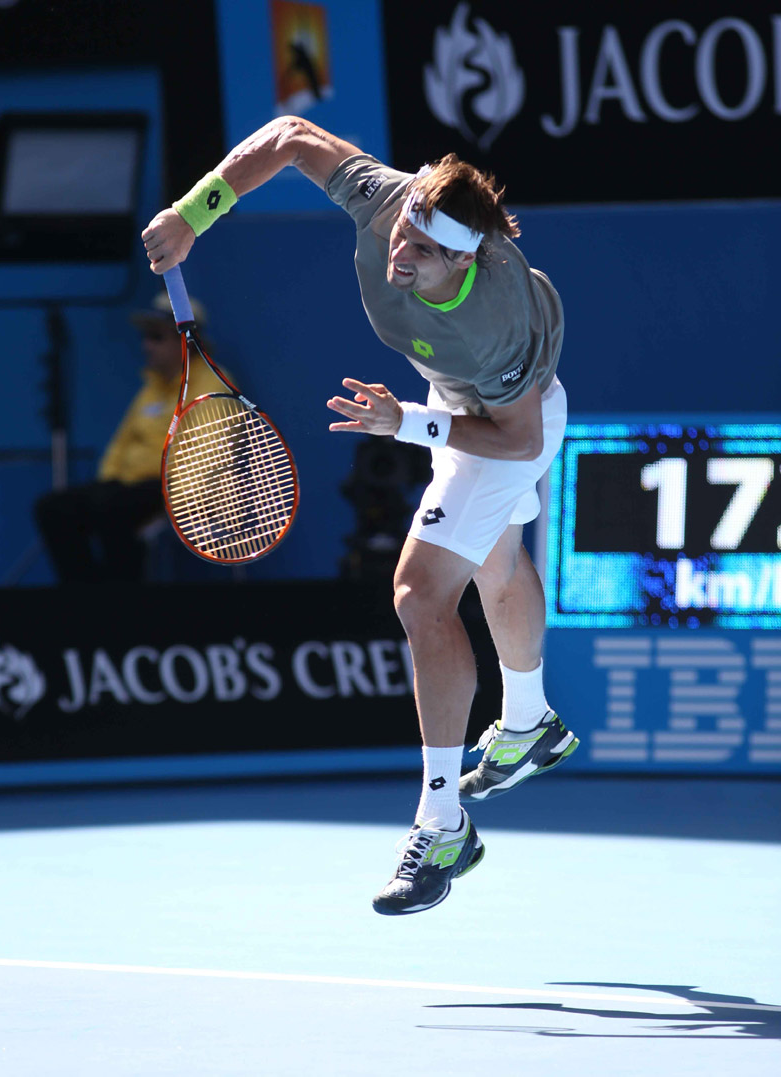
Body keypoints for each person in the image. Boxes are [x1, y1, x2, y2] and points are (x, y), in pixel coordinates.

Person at [141, 116, 580, 915]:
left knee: (420, 595)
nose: (400, 250)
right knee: (496, 561)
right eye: (405, 228)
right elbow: (290, 135)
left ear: (462, 260)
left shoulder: (495, 321)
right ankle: (528, 723)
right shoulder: (388, 202)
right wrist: (194, 212)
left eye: (423, 249)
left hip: (508, 417)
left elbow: (519, 440)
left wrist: (407, 422)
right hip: (462, 394)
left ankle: (442, 825)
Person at [33, 292, 223, 584]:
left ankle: (123, 601)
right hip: (129, 486)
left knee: (110, 511)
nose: (147, 345)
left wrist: (173, 500)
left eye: (156, 337)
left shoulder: (212, 386)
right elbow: (121, 444)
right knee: (53, 509)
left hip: (174, 491)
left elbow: (208, 460)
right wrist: (109, 481)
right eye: (145, 337)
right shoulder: (151, 389)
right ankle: (86, 598)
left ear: (186, 341)